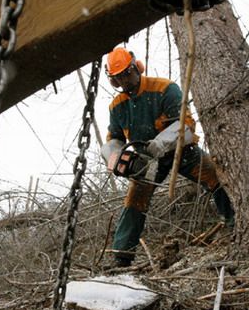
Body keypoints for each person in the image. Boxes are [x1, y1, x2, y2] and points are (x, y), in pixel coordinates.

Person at [101, 46, 235, 267]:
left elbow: (186, 124)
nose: (124, 81)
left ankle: (234, 224)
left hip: (182, 151)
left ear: (136, 68)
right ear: (113, 81)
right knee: (135, 201)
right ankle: (121, 257)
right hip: (148, 162)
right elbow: (114, 137)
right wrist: (113, 156)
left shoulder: (164, 89)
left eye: (127, 73)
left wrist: (160, 143)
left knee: (216, 178)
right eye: (118, 78)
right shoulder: (117, 106)